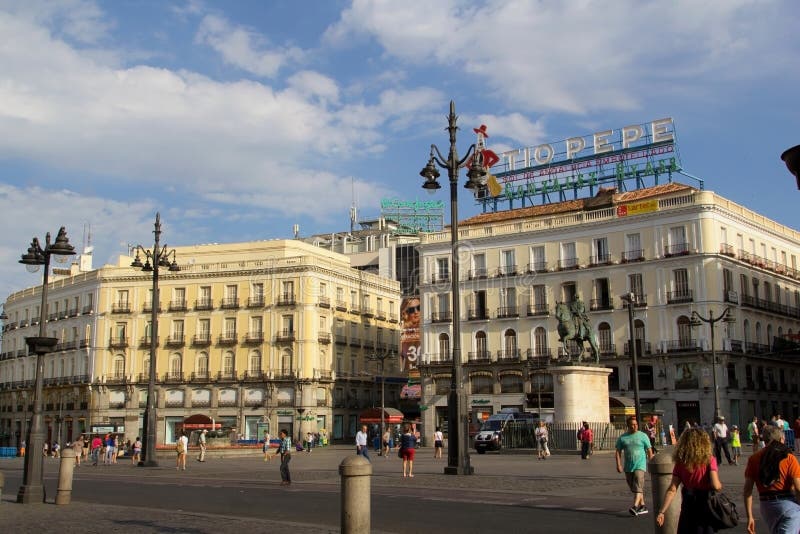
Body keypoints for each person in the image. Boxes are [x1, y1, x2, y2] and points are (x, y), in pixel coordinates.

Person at [655, 428, 722, 532]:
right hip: (705, 505)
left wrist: (662, 511)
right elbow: (716, 485)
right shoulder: (710, 460)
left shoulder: (681, 463)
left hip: (688, 505)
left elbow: (672, 490)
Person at [743, 425, 800, 534]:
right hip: (788, 505)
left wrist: (749, 516)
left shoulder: (754, 458)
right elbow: (798, 488)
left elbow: (747, 491)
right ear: (781, 439)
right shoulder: (789, 458)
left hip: (766, 506)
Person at [615, 416, 654, 516]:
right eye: (632, 424)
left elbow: (649, 450)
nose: (635, 426)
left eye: (636, 424)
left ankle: (635, 506)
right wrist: (618, 464)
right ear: (628, 426)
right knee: (635, 487)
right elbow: (618, 452)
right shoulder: (623, 437)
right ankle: (643, 506)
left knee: (638, 483)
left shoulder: (643, 436)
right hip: (628, 466)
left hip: (640, 464)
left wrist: (651, 462)